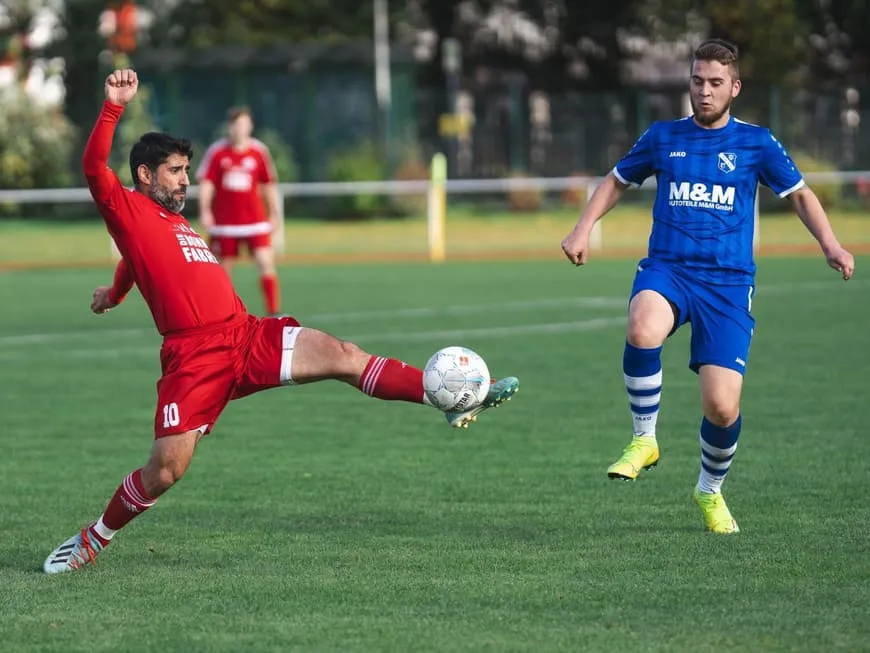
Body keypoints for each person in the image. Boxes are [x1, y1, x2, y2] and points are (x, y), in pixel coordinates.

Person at [43, 69, 520, 574]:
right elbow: (94, 166)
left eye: (186, 170)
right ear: (145, 174)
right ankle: (93, 538)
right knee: (165, 470)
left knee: (344, 354)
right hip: (195, 357)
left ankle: (443, 396)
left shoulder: (173, 219)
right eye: (176, 171)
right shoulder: (126, 207)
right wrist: (113, 106)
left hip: (247, 335)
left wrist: (113, 293)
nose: (187, 179)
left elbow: (133, 263)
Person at [560, 39, 854, 534]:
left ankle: (709, 490)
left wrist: (831, 244)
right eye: (697, 81)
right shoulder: (662, 136)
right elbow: (615, 180)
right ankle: (644, 439)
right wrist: (582, 227)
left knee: (721, 407)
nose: (704, 91)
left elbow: (799, 195)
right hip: (669, 270)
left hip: (728, 285)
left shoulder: (756, 143)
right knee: (641, 325)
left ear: (734, 87)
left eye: (716, 83)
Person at [197, 107, 283, 316]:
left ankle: (273, 311)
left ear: (250, 126)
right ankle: (220, 312)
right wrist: (205, 211)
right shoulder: (217, 152)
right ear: (229, 127)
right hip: (225, 222)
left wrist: (274, 212)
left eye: (244, 124)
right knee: (221, 270)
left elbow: (268, 184)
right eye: (236, 125)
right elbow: (206, 183)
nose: (240, 129)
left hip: (255, 220)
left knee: (265, 262)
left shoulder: (258, 151)